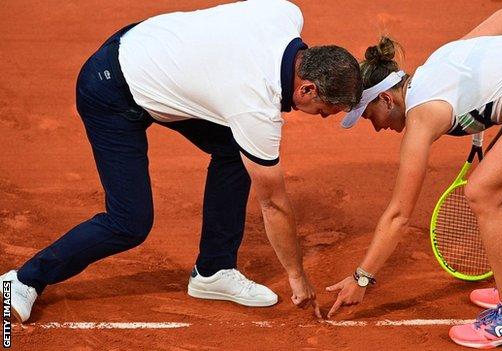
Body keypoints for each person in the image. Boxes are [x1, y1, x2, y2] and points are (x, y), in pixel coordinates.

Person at [1, 0, 362, 323]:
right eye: (324, 111)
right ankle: (23, 279)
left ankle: (213, 271)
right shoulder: (253, 105)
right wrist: (297, 277)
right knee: (129, 222)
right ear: (307, 89)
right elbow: (273, 203)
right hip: (110, 91)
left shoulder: (286, 12)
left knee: (235, 151)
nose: (322, 117)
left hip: (152, 54)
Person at [325, 5, 502, 349]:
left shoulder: (420, 119)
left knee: (483, 192)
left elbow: (399, 214)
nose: (375, 127)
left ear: (386, 99)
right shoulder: (439, 60)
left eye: (369, 116)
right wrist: (488, 80)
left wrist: (362, 278)